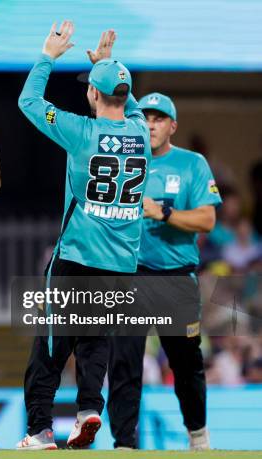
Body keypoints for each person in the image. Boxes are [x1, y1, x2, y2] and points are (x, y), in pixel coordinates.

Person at [16, 24, 151, 449]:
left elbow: (29, 102)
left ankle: (39, 429)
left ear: (92, 94)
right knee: (95, 343)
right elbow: (128, 105)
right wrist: (108, 70)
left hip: (77, 256)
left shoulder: (79, 131)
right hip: (121, 263)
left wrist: (47, 55)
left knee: (51, 345)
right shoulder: (142, 133)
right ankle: (88, 410)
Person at [107, 93, 221, 450]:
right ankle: (124, 442)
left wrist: (164, 214)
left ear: (172, 126)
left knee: (186, 363)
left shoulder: (192, 164)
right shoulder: (124, 160)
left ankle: (198, 435)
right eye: (146, 118)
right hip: (131, 275)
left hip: (176, 277)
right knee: (124, 360)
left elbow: (208, 219)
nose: (151, 125)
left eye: (159, 119)